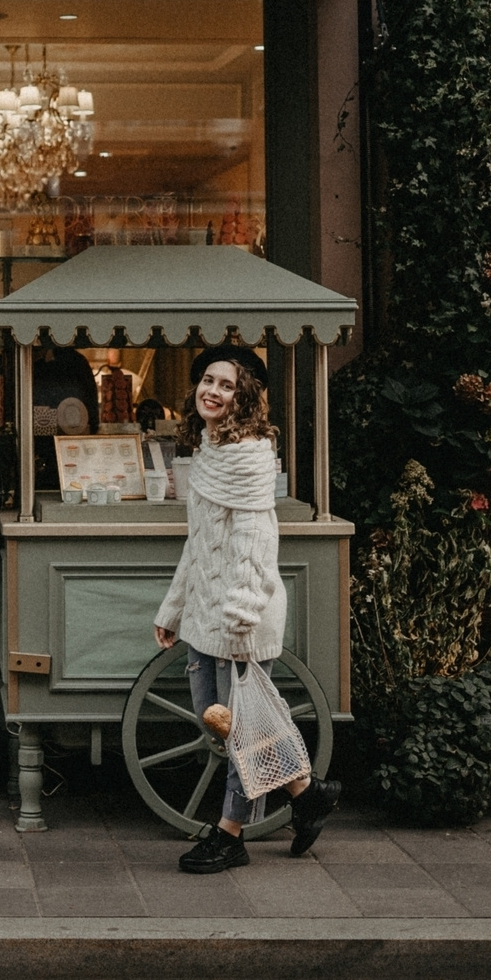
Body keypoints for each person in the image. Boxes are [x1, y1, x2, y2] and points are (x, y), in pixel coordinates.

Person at [154, 343, 341, 873]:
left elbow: (257, 542)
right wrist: (173, 609)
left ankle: (231, 834)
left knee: (237, 728)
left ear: (245, 397)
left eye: (226, 384)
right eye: (207, 380)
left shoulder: (251, 456)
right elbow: (199, 543)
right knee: (222, 723)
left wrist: (239, 615)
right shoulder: (212, 448)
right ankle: (306, 792)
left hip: (239, 617)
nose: (211, 391)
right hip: (205, 615)